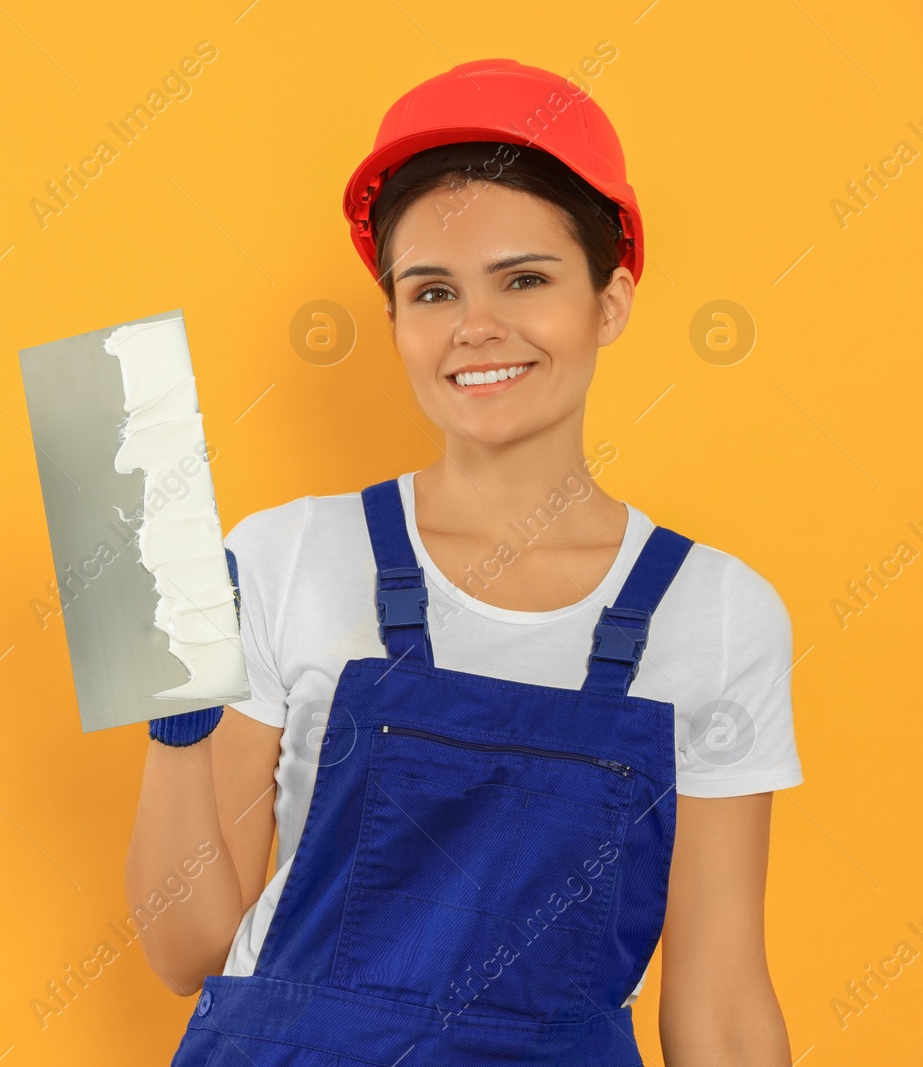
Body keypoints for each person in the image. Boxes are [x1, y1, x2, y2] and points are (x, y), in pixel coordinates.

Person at [124, 59, 803, 1066]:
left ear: (608, 300)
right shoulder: (285, 554)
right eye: (431, 289)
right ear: (394, 318)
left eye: (524, 278)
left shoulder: (712, 612)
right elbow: (194, 950)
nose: (475, 327)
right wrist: (174, 721)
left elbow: (719, 1007)